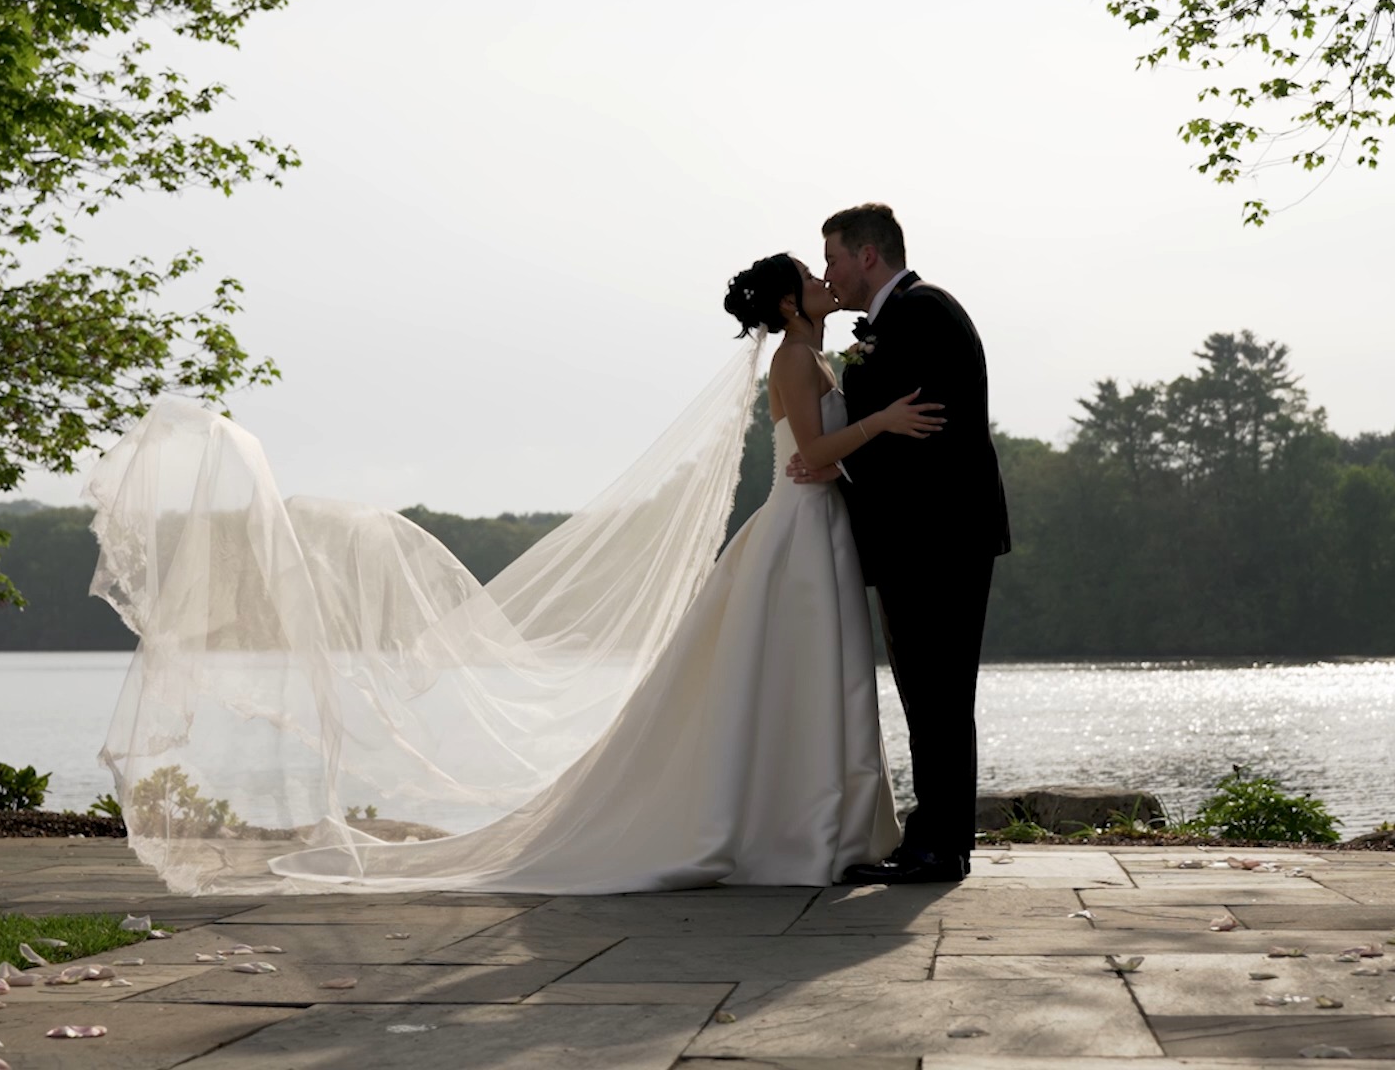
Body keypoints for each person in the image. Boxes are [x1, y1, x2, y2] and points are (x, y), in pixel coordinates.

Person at [86, 250, 944, 894]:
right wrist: (882, 427)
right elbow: (809, 458)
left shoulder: (820, 359)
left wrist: (861, 436)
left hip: (821, 532)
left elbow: (817, 455)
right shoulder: (794, 360)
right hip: (798, 535)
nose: (827, 282)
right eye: (814, 276)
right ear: (790, 302)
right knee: (800, 677)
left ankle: (821, 830)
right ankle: (796, 834)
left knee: (816, 681)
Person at [788, 203, 1012, 885]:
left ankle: (938, 846)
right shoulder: (903, 317)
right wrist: (847, 461)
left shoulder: (922, 314)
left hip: (936, 539)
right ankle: (940, 838)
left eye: (832, 258)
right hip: (923, 539)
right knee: (932, 692)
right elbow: (897, 428)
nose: (828, 272)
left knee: (937, 691)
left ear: (867, 255)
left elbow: (929, 431)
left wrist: (842, 464)